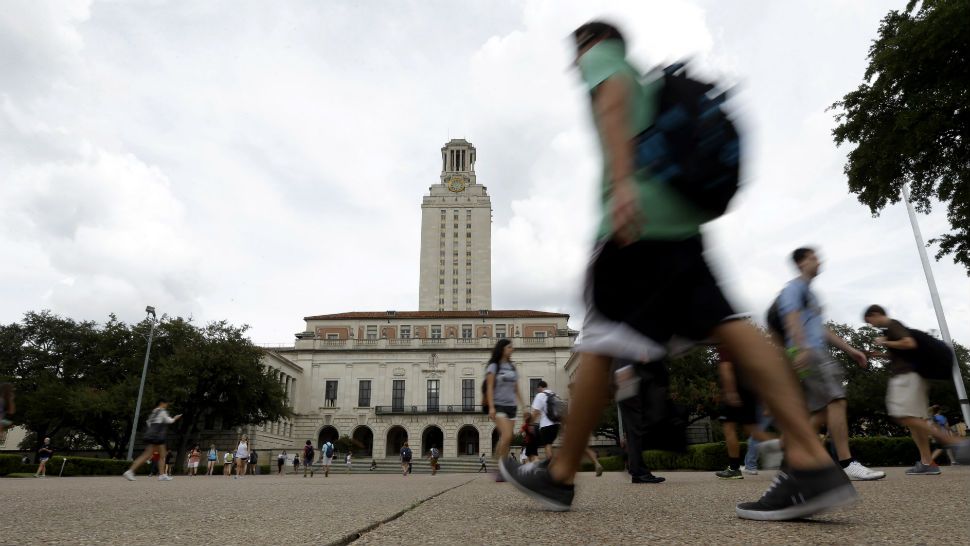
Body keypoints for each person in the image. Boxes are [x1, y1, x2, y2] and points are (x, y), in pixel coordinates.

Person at [501, 21, 859, 521]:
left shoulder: (604, 61)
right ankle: (810, 459)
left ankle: (559, 476)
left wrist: (623, 184)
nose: (575, 66)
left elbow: (612, 93)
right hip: (682, 228)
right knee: (731, 327)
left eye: (575, 55)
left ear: (589, 45)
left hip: (633, 225)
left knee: (600, 342)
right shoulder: (650, 79)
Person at [863, 305, 970, 473]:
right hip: (915, 376)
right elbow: (900, 352)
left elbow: (909, 343)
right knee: (915, 423)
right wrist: (881, 354)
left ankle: (957, 442)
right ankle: (927, 463)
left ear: (875, 314)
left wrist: (885, 341)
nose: (871, 325)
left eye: (870, 321)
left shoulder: (892, 325)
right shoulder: (892, 328)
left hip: (906, 377)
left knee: (901, 415)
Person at [714, 348, 777, 479]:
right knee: (754, 431)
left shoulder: (725, 341)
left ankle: (734, 468)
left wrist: (730, 392)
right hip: (748, 391)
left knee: (729, 428)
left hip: (736, 390)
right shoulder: (741, 343)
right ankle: (790, 448)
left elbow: (726, 368)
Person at [485, 338, 526, 479]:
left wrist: (524, 407)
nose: (512, 349)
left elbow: (517, 389)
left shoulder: (512, 367)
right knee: (507, 435)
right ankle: (500, 468)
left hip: (512, 407)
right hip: (499, 405)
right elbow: (490, 387)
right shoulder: (494, 366)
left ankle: (501, 467)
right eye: (509, 347)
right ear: (502, 349)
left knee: (507, 439)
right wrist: (491, 407)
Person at [123, 399, 181, 481]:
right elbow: (169, 421)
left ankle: (161, 474)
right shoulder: (162, 411)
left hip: (151, 435)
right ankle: (131, 471)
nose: (167, 405)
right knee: (158, 455)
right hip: (158, 436)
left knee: (155, 454)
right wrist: (175, 418)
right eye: (166, 403)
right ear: (161, 403)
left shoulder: (154, 411)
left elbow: (148, 422)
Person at [530, 381, 561, 460]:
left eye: (537, 389)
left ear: (540, 387)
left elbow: (536, 411)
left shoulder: (540, 395)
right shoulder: (555, 395)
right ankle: (552, 465)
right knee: (550, 444)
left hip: (546, 425)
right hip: (557, 424)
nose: (537, 390)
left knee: (547, 445)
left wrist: (530, 424)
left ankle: (550, 467)